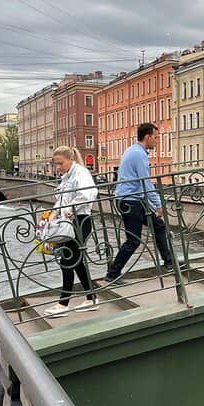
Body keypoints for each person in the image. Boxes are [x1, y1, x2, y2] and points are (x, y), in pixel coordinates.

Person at [105, 123, 176, 282]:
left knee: (159, 226)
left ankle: (169, 262)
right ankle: (112, 274)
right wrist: (158, 204)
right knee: (133, 241)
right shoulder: (139, 155)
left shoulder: (133, 150)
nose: (157, 141)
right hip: (130, 201)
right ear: (147, 137)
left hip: (131, 200)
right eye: (155, 138)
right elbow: (145, 182)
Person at [44, 147, 100, 316]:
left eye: (60, 163)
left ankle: (63, 304)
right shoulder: (68, 176)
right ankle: (91, 298)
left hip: (80, 221)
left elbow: (87, 195)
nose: (58, 167)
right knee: (77, 261)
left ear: (70, 159)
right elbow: (62, 199)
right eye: (56, 164)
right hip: (70, 222)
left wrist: (69, 209)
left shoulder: (81, 173)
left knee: (67, 261)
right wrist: (53, 214)